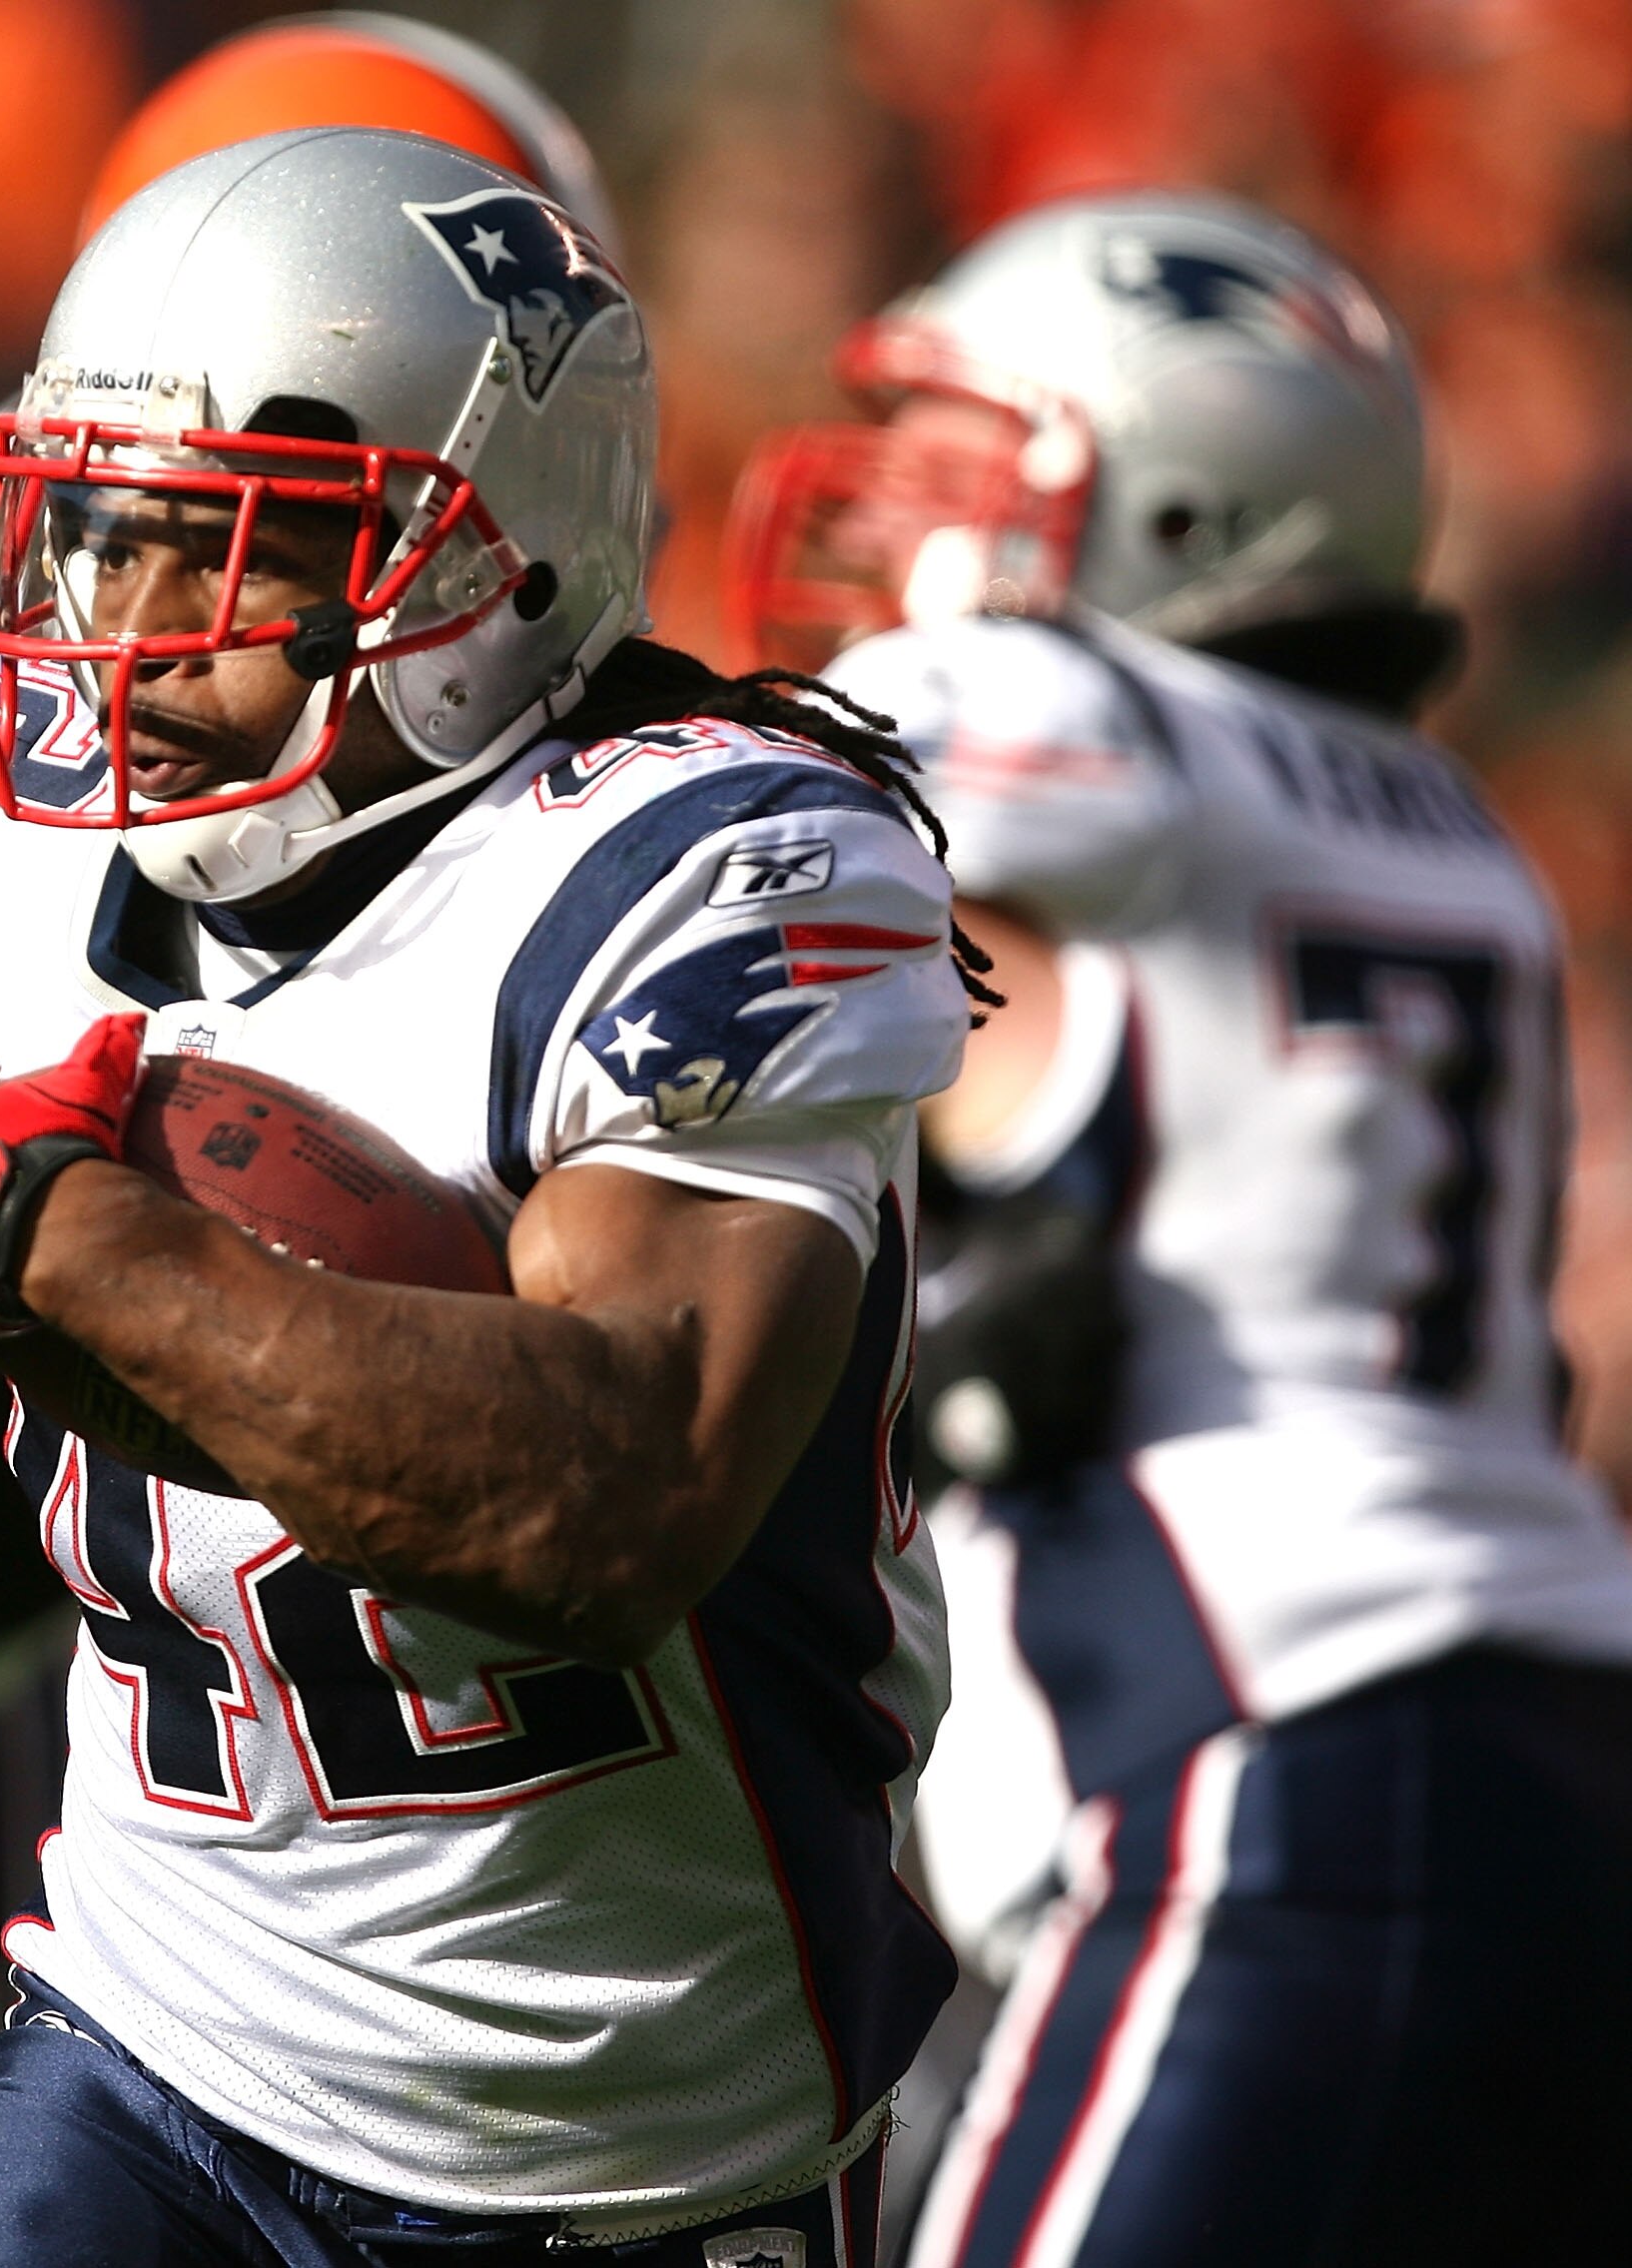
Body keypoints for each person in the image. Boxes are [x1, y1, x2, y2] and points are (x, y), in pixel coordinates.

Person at [0, 125, 977, 2266]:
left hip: (625, 2149)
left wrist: (92, 1237)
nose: (125, 637)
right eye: (100, 542)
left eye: (221, 555)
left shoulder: (701, 882)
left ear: (482, 568)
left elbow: (610, 1510)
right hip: (156, 2043)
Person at [725, 192, 1632, 2265]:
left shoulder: (1090, 726)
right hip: (1573, 1740)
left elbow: (752, 808)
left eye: (968, 466)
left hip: (1268, 1773)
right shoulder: (1460, 831)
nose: (906, 534)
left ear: (1185, 507)